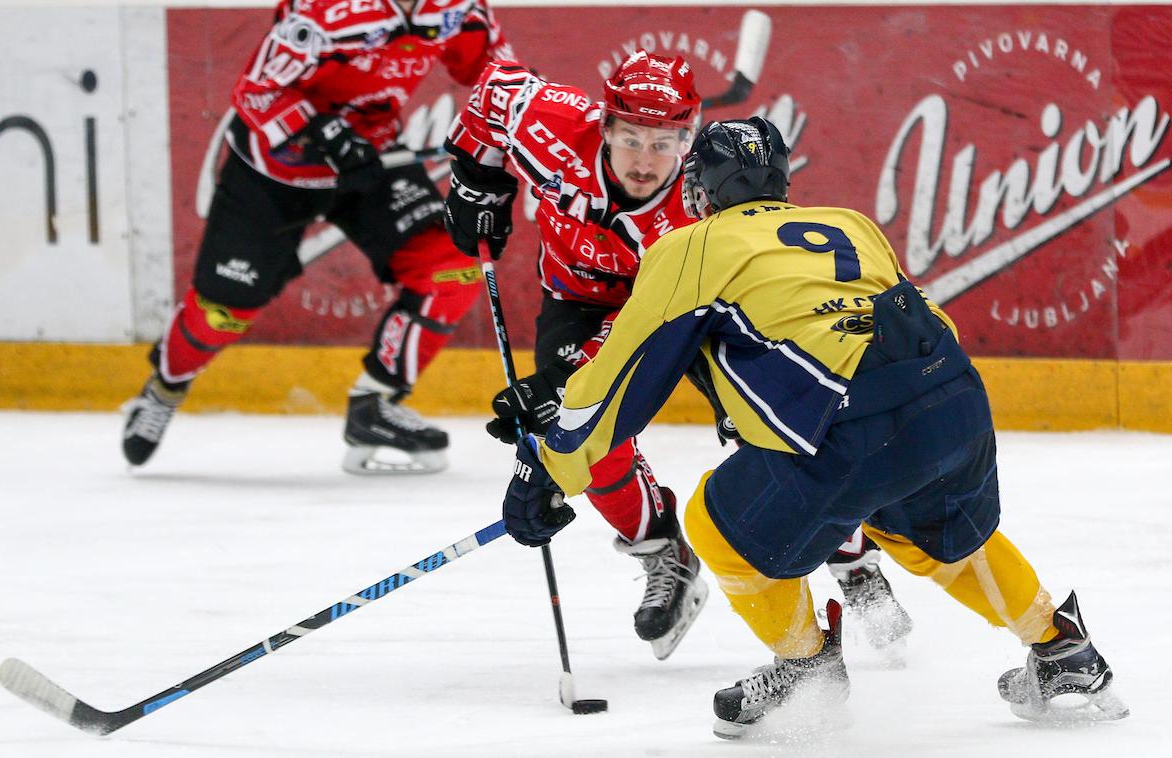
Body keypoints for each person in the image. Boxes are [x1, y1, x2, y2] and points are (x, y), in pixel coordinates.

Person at [499, 117, 1127, 736]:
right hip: (953, 397)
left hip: (849, 427)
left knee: (714, 525)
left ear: (704, 187)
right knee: (933, 533)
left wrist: (551, 468)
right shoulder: (850, 224)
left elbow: (620, 380)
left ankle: (806, 666)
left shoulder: (689, 246)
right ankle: (1061, 651)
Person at [443, 52, 910, 658]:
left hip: (693, 311)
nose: (644, 159)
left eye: (664, 144)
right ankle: (663, 551)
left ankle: (852, 560)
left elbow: (646, 332)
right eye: (631, 138)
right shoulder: (550, 124)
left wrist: (569, 376)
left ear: (687, 141)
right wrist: (476, 179)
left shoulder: (702, 208)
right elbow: (492, 89)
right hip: (577, 298)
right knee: (585, 436)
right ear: (604, 126)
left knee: (775, 432)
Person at [122, 0, 512, 475]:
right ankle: (165, 386)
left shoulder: (463, 10)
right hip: (276, 166)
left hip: (370, 157)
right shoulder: (329, 9)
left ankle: (376, 402)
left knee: (450, 263)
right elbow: (258, 89)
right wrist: (322, 129)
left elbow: (502, 80)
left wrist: (539, 126)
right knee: (222, 309)